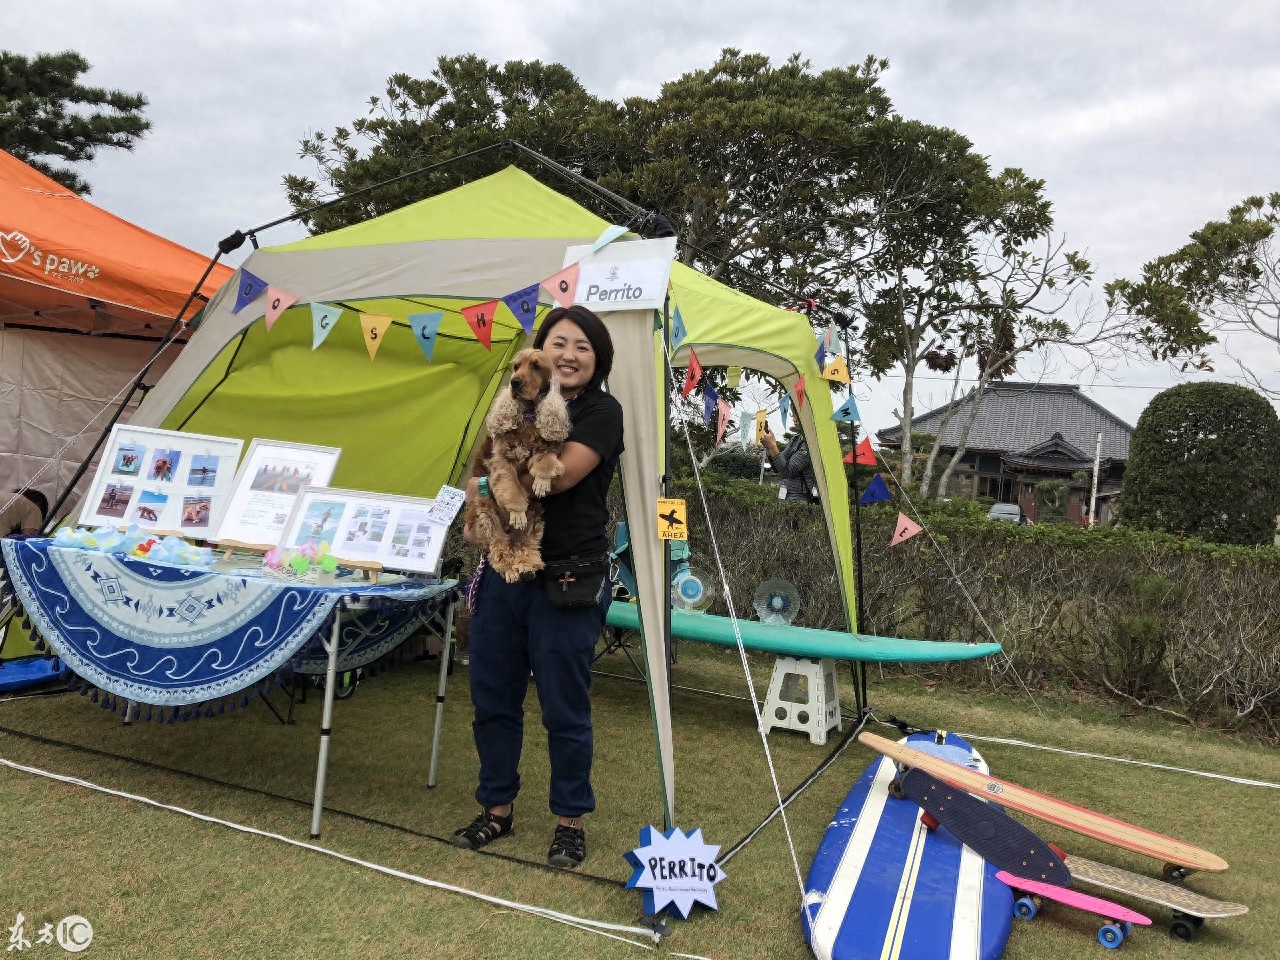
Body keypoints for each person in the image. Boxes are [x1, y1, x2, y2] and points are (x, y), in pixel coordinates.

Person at [453, 304, 624, 869]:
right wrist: (485, 485)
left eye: (581, 346)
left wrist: (498, 475)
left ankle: (569, 819)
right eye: (557, 343)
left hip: (567, 577)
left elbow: (560, 476)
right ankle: (496, 809)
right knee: (492, 697)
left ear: (596, 359)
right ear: (538, 353)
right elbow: (479, 470)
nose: (568, 354)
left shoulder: (602, 411)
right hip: (504, 570)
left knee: (562, 706)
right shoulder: (512, 406)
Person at [762, 410, 818, 503]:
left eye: (797, 415)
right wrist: (768, 446)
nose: (794, 418)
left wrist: (772, 445)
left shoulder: (812, 442)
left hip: (801, 499)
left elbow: (787, 471)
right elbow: (777, 467)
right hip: (785, 496)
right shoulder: (796, 439)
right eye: (793, 415)